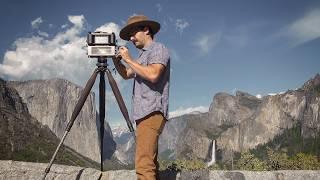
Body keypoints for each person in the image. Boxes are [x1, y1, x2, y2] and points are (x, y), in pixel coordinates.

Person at [112, 14, 170, 180]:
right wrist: (117, 61)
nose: (130, 38)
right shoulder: (142, 56)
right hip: (144, 114)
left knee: (144, 166)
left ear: (146, 30)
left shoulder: (158, 49)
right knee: (150, 163)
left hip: (151, 112)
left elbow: (153, 75)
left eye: (133, 33)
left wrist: (129, 59)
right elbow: (126, 74)